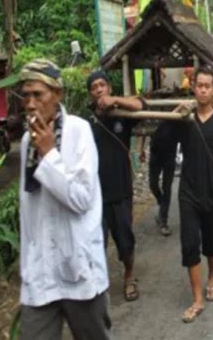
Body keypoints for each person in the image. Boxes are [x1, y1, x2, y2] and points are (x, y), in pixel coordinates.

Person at [18, 59, 110, 339]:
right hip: (39, 273)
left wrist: (48, 155)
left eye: (38, 95)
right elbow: (28, 212)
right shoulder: (25, 142)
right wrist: (27, 267)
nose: (31, 104)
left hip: (78, 268)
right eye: (26, 95)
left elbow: (81, 198)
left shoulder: (79, 131)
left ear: (57, 95)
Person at [169, 66, 213, 322]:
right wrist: (172, 118)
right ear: (193, 87)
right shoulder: (185, 120)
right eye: (199, 85)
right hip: (188, 192)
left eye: (208, 85)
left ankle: (212, 277)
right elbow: (163, 141)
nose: (203, 90)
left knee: (211, 242)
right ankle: (197, 299)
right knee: (189, 244)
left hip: (212, 192)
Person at [87, 71, 143, 302]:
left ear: (109, 88)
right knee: (95, 240)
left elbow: (141, 104)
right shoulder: (86, 122)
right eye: (94, 87)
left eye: (103, 85)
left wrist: (117, 101)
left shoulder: (122, 114)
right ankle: (98, 284)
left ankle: (129, 276)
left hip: (120, 190)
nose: (99, 89)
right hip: (94, 194)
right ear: (90, 93)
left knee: (125, 238)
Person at [142, 121, 177, 236]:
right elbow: (146, 129)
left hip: (170, 153)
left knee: (167, 187)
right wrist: (142, 148)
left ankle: (164, 222)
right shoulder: (153, 111)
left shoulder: (174, 108)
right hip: (155, 152)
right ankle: (162, 204)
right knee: (153, 184)